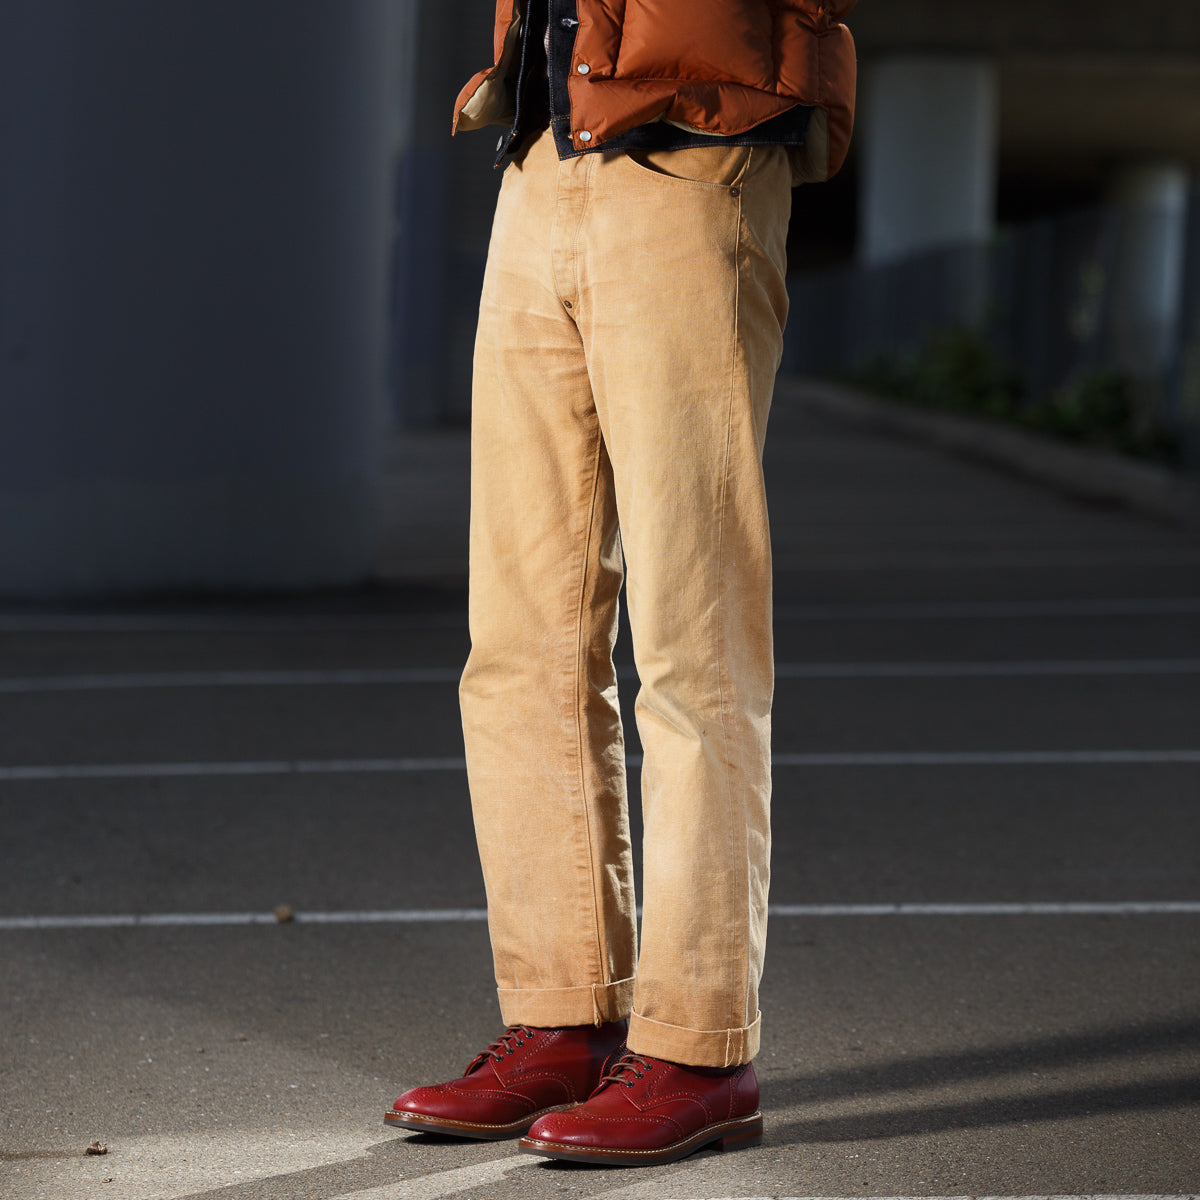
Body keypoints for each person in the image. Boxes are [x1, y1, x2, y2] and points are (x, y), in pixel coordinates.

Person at [385, 0, 857, 1167]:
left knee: (695, 641)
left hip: (694, 151)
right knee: (520, 641)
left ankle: (700, 1049)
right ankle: (564, 1017)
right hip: (543, 153)